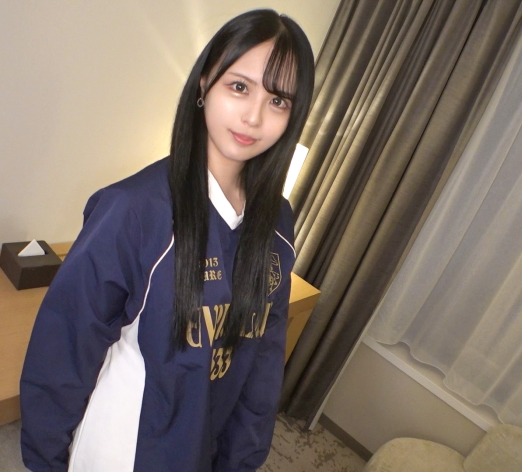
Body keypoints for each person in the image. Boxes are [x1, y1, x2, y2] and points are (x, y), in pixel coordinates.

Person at [19, 8, 315, 472]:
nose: (254, 117)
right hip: (127, 449)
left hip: (204, 444)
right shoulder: (133, 211)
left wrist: (241, 459)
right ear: (204, 84)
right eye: (240, 87)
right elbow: (64, 350)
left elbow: (262, 359)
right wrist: (45, 461)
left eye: (277, 101)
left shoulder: (276, 221)